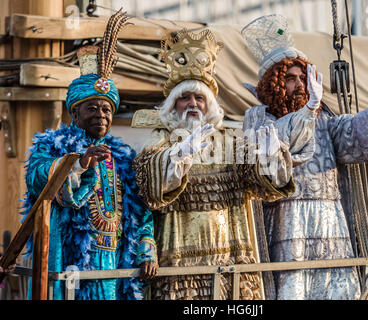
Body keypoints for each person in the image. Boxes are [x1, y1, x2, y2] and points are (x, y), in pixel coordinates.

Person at [132, 28, 315, 300]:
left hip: (231, 267)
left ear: (210, 105)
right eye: (185, 97)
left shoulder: (232, 141)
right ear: (173, 105)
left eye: (199, 97)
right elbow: (150, 190)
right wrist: (179, 155)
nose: (192, 104)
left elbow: (265, 187)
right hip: (182, 271)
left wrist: (269, 158)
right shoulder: (159, 143)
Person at [241, 14, 368, 300]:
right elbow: (282, 140)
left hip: (330, 223)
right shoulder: (259, 120)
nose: (300, 84)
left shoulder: (324, 119)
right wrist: (308, 110)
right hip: (286, 223)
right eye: (291, 79)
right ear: (274, 85)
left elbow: (353, 135)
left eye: (303, 77)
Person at [20, 10, 157, 300]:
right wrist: (79, 163)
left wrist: (146, 250)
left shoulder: (122, 155)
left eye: (106, 109)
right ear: (75, 112)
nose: (101, 115)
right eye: (92, 108)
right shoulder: (53, 145)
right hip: (70, 259)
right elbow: (37, 178)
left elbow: (142, 210)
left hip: (115, 262)